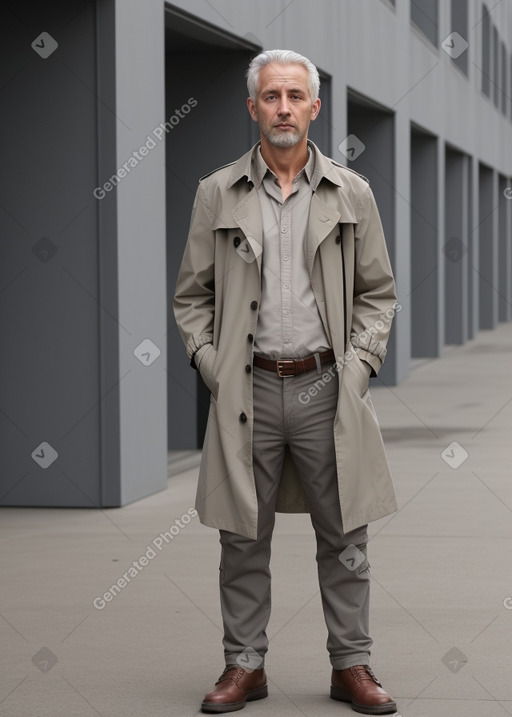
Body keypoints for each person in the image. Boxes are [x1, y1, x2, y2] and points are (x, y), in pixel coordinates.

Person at [173, 49, 399, 715]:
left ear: (315, 108)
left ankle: (350, 664)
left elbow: (377, 294)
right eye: (271, 96)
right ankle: (245, 666)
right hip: (248, 390)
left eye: (295, 96)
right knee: (242, 534)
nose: (283, 108)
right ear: (252, 107)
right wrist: (214, 370)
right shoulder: (217, 191)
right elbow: (192, 298)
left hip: (327, 387)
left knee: (346, 533)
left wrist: (356, 370)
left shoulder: (351, 192)